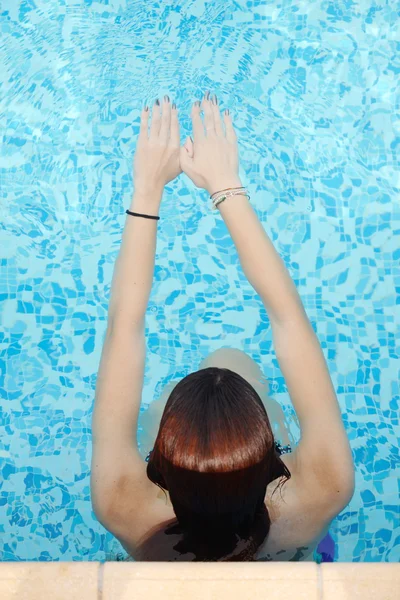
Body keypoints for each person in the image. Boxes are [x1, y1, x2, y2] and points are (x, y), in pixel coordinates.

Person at [90, 92, 355, 562]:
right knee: (233, 367)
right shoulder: (321, 491)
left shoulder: (121, 504)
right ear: (276, 463)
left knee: (179, 402)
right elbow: (290, 319)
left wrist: (147, 190)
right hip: (288, 550)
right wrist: (226, 187)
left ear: (160, 473)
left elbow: (122, 329)